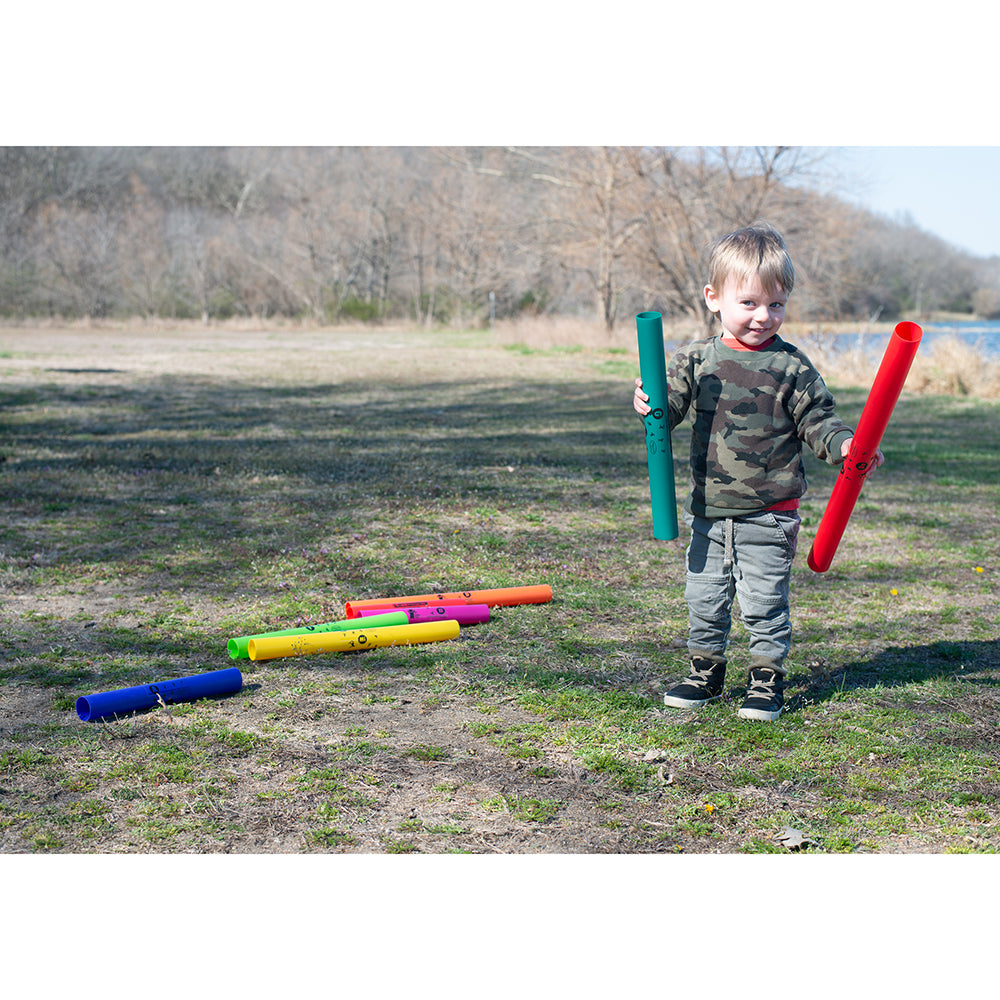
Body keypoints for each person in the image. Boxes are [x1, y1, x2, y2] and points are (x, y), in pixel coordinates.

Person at [633, 223, 883, 721]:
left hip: (770, 512)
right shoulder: (696, 359)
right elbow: (670, 406)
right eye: (749, 303)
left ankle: (766, 679)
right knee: (704, 595)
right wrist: (647, 400)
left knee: (764, 599)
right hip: (710, 508)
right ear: (714, 298)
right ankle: (704, 671)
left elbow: (819, 423)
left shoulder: (793, 368)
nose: (763, 316)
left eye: (776, 304)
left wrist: (849, 446)